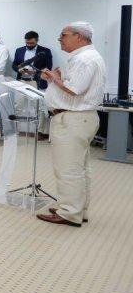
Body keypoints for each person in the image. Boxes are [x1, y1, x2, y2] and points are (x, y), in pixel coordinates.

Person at [36, 22, 106, 228]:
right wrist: (55, 79)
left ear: (79, 37)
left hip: (73, 120)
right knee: (79, 168)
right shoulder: (86, 57)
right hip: (79, 118)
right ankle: (76, 208)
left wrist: (56, 78)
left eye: (63, 35)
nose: (60, 39)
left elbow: (74, 89)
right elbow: (71, 87)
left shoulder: (84, 59)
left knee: (68, 169)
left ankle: (69, 212)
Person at [12, 30, 53, 137]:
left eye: (31, 43)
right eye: (27, 43)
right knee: (18, 106)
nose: (29, 45)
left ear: (37, 40)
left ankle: (40, 131)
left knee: (39, 107)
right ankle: (15, 130)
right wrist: (19, 70)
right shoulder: (19, 50)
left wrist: (35, 71)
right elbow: (14, 65)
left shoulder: (45, 51)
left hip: (36, 82)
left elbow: (48, 67)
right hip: (21, 82)